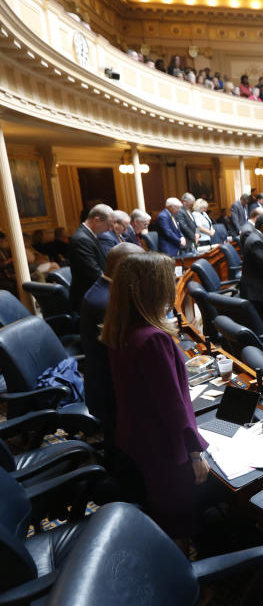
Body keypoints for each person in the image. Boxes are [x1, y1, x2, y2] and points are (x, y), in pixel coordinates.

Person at [101, 252, 212, 543]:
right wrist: (195, 452)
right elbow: (172, 406)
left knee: (159, 505)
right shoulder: (153, 338)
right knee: (179, 518)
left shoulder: (122, 328)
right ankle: (186, 575)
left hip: (138, 437)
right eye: (168, 282)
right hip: (165, 447)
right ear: (153, 289)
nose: (173, 287)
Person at [80, 242, 144, 446]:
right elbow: (127, 349)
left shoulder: (106, 289)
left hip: (107, 383)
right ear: (125, 267)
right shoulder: (105, 302)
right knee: (122, 448)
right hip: (110, 391)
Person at [69, 203, 113, 311]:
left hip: (95, 290)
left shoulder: (90, 235)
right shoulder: (81, 239)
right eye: (108, 224)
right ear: (96, 220)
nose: (109, 229)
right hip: (88, 298)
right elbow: (94, 273)